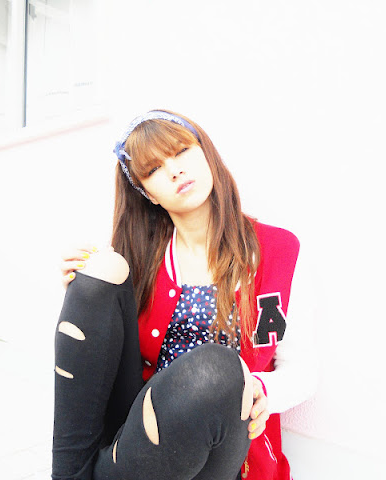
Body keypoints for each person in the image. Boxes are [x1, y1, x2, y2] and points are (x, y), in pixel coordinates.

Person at [53, 110, 317, 480]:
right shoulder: (142, 256)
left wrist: (261, 389)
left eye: (181, 152)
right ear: (147, 193)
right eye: (154, 170)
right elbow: (105, 359)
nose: (174, 170)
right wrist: (84, 292)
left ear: (205, 152)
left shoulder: (278, 251)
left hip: (223, 439)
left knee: (217, 370)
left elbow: (302, 370)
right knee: (100, 271)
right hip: (139, 432)